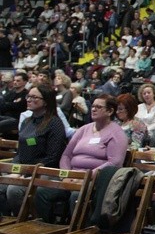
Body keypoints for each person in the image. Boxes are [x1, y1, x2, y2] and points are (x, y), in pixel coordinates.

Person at [34, 95, 129, 223]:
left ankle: (78, 232)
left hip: (95, 181)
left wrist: (87, 177)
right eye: (93, 106)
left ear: (110, 111)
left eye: (98, 107)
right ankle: (48, 231)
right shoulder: (84, 129)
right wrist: (66, 175)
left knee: (76, 195)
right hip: (72, 177)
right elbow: (66, 155)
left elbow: (114, 163)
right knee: (42, 192)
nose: (93, 109)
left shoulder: (117, 133)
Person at [0, 85, 67, 216]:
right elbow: (21, 152)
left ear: (46, 101)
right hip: (24, 170)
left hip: (45, 171)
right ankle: (7, 223)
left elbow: (53, 157)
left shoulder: (54, 123)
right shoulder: (26, 122)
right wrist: (15, 169)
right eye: (28, 96)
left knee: (14, 190)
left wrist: (26, 173)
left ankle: (25, 222)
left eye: (34, 97)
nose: (29, 100)